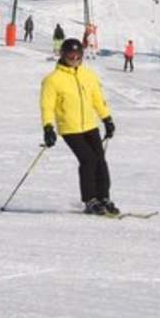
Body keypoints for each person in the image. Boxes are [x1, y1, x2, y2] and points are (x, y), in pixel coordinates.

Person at [41, 38, 117, 214]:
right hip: (70, 128)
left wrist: (107, 119)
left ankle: (104, 198)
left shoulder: (88, 75)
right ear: (63, 55)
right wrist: (48, 127)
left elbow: (97, 99)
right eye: (70, 55)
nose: (74, 58)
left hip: (90, 125)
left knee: (100, 160)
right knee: (88, 160)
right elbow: (47, 106)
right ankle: (90, 200)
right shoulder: (52, 80)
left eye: (78, 55)